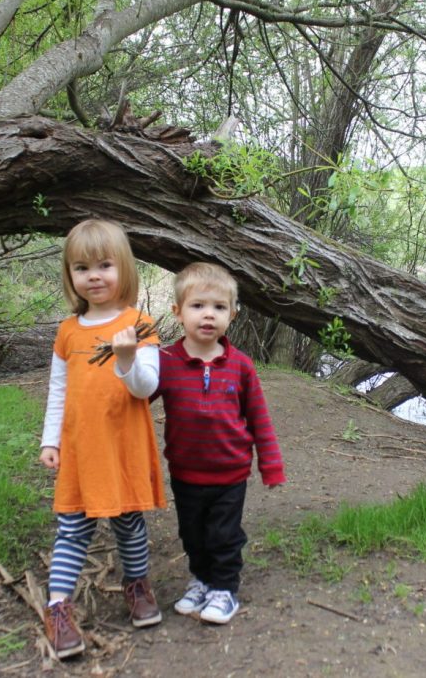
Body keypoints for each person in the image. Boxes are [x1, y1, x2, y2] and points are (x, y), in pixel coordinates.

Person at [38, 219, 166, 658]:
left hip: (123, 443)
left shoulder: (139, 325)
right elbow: (59, 390)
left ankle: (137, 584)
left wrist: (127, 358)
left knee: (129, 521)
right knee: (73, 526)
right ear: (70, 275)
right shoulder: (69, 331)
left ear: (124, 269)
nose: (94, 276)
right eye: (81, 268)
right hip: (81, 447)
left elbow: (146, 388)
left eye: (105, 265)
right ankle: (58, 608)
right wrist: (49, 440)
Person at [153, 262, 286, 625]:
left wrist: (271, 466)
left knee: (224, 535)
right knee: (192, 534)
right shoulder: (165, 361)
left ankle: (224, 589)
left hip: (230, 474)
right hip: (185, 472)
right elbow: (135, 397)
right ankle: (201, 579)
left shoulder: (241, 366)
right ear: (178, 312)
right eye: (198, 306)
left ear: (233, 314)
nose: (208, 315)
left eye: (219, 307)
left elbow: (259, 419)